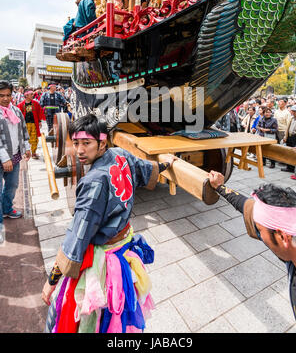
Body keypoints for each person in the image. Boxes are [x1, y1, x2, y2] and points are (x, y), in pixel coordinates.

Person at [42, 113, 177, 333]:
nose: (79, 151)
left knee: (72, 316)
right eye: (75, 143)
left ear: (102, 142)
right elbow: (145, 169)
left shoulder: (93, 182)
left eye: (87, 143)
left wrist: (51, 281)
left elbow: (77, 237)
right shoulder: (121, 154)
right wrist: (165, 165)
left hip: (104, 261)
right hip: (123, 246)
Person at [208, 170, 296, 330]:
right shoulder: (292, 233)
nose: (258, 232)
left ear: (282, 237)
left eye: (259, 229)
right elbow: (248, 207)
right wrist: (220, 187)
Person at [0, 81, 31, 244]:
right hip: (2, 159)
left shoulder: (17, 111)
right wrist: (4, 158)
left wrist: (27, 147)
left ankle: (7, 209)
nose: (5, 99)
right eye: (1, 96)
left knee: (12, 185)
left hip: (15, 157)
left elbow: (23, 131)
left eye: (8, 95)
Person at [17, 88, 45, 159]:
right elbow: (18, 116)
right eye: (31, 94)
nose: (33, 95)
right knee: (24, 139)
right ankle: (25, 152)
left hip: (33, 124)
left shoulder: (35, 103)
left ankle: (34, 153)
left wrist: (39, 121)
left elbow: (39, 112)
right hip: (24, 125)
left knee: (34, 139)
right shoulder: (20, 105)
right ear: (26, 95)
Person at [282, 104, 296, 173]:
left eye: (295, 111)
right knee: (289, 152)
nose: (293, 112)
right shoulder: (291, 117)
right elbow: (287, 128)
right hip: (290, 137)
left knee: (295, 152)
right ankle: (289, 167)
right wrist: (285, 137)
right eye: (292, 111)